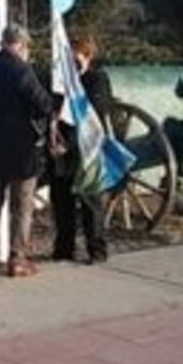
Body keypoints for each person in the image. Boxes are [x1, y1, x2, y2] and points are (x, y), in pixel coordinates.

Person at [0, 25, 54, 277]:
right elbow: (42, 104)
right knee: (22, 206)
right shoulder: (22, 70)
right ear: (20, 45)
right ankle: (17, 259)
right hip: (21, 149)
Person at [48, 35, 113, 264]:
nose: (73, 66)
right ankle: (64, 248)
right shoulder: (59, 83)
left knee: (91, 206)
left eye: (77, 60)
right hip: (60, 150)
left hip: (88, 151)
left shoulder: (97, 80)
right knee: (62, 203)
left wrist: (71, 144)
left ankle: (96, 250)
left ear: (88, 57)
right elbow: (51, 112)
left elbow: (94, 115)